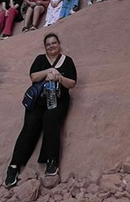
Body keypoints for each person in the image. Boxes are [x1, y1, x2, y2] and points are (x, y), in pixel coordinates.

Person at [5, 33, 78, 187]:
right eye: (48, 44)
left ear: (59, 44)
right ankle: (14, 166)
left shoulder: (67, 61)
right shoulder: (40, 60)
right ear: (45, 47)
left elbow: (72, 83)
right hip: (39, 100)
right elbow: (33, 77)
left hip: (58, 100)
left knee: (51, 121)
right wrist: (48, 71)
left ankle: (52, 161)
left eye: (54, 43)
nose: (51, 46)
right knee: (29, 126)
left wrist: (59, 78)